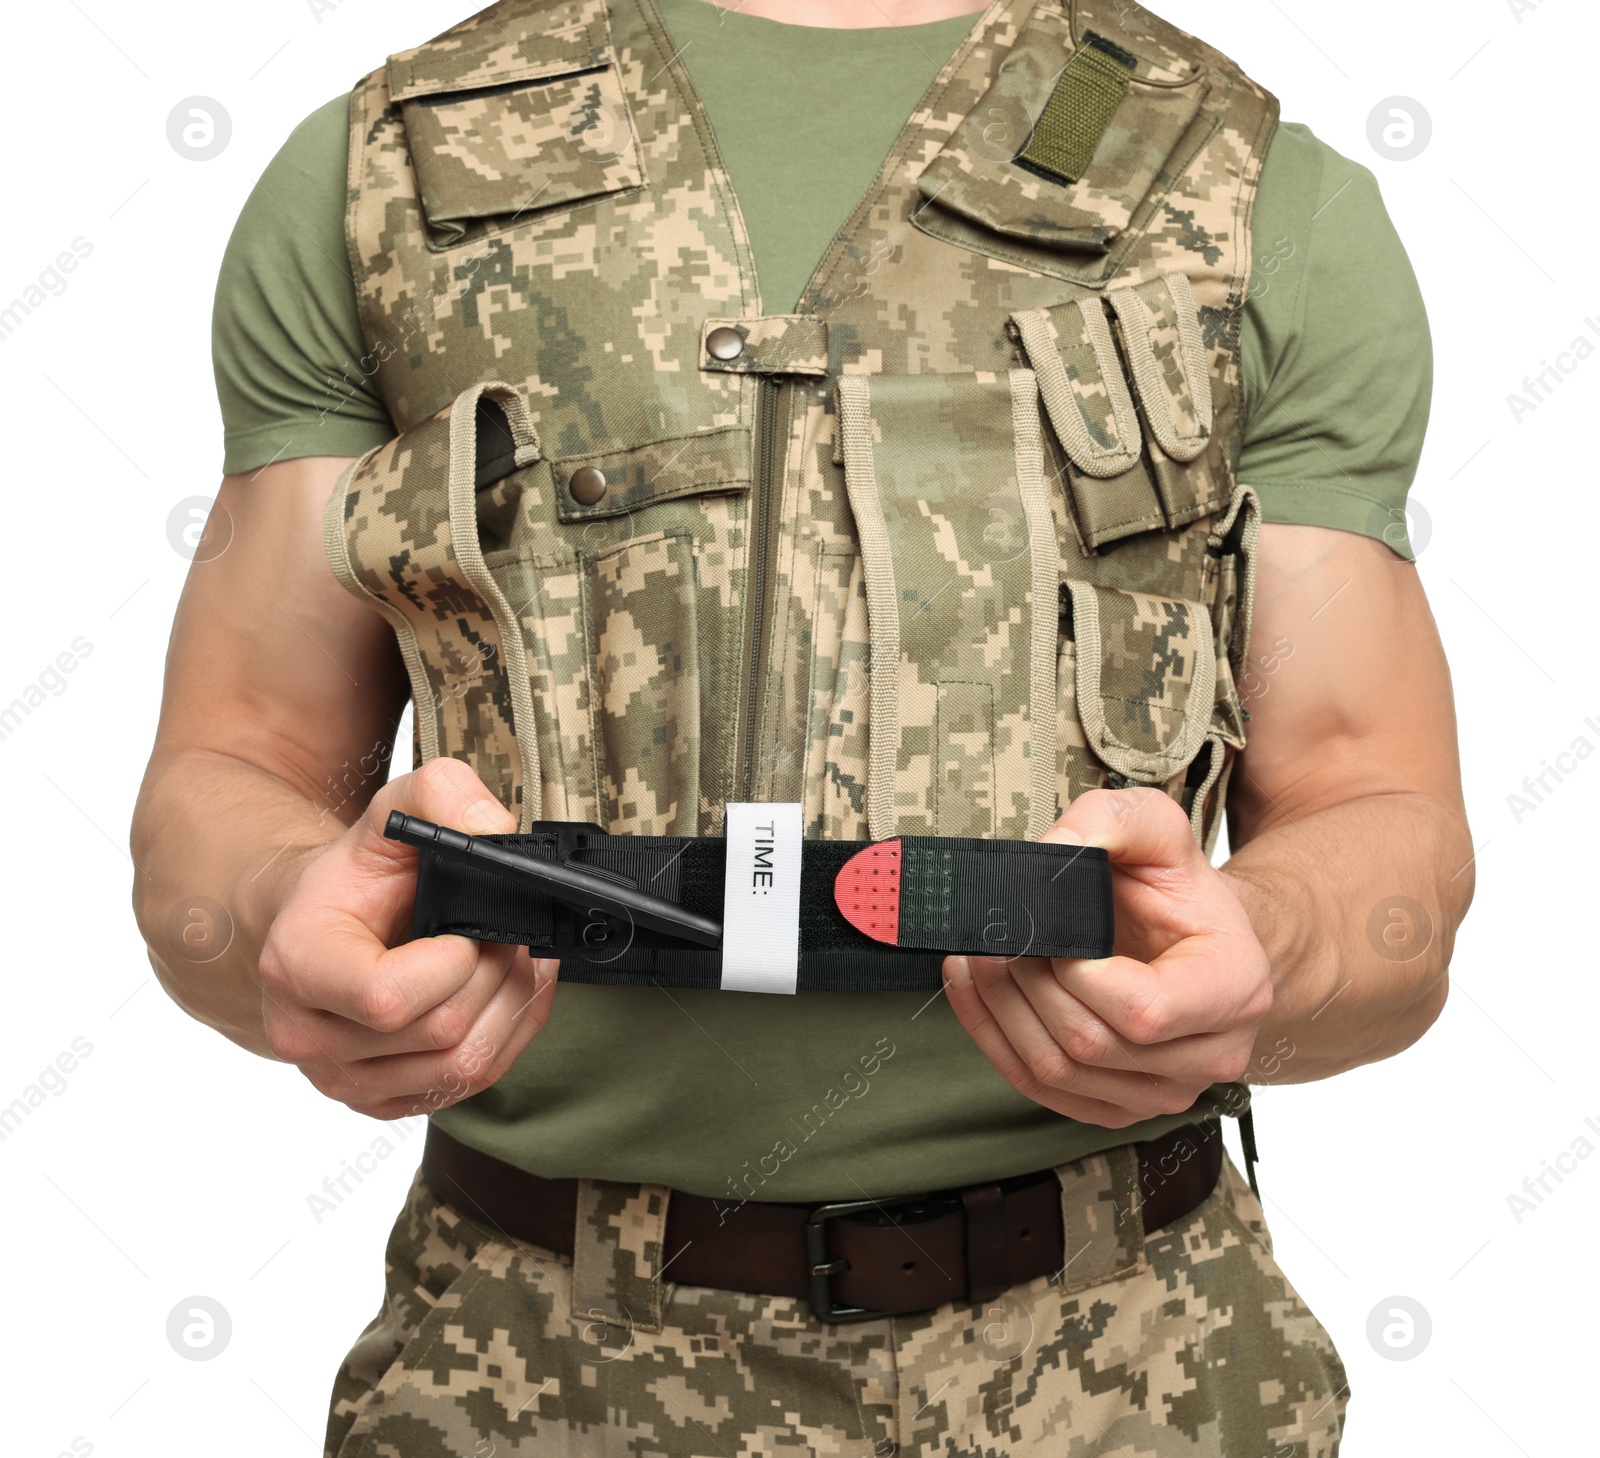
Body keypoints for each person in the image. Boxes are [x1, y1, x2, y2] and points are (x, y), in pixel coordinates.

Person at [130, 0, 1471, 1453]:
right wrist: (283, 913)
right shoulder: (378, 174)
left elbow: (1376, 810)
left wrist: (1261, 950)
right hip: (524, 1369)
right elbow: (237, 763)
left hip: (1127, 1370)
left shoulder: (1259, 196)